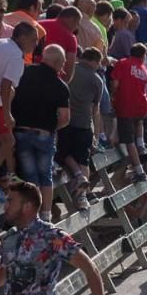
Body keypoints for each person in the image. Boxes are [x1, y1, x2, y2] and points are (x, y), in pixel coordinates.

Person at [0, 22, 39, 196]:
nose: (35, 45)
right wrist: (7, 114)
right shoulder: (15, 56)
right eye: (33, 40)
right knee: (8, 142)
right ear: (22, 37)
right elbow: (6, 86)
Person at [11, 44, 70, 222]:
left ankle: (32, 216)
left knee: (30, 176)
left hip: (21, 131)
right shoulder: (60, 86)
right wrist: (52, 127)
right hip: (44, 134)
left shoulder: (24, 73)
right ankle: (46, 214)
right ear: (59, 63)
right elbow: (65, 118)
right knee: (45, 176)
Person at [59, 47, 103, 210]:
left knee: (63, 154)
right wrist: (96, 133)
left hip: (65, 122)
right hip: (84, 124)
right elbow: (95, 108)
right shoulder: (96, 80)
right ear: (95, 61)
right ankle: (82, 197)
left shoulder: (68, 71)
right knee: (83, 159)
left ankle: (77, 176)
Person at [111, 43, 147, 181]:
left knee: (128, 141)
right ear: (143, 55)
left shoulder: (123, 63)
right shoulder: (143, 68)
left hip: (125, 106)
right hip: (141, 106)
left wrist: (113, 95)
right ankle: (141, 144)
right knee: (138, 123)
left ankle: (139, 172)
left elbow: (115, 84)